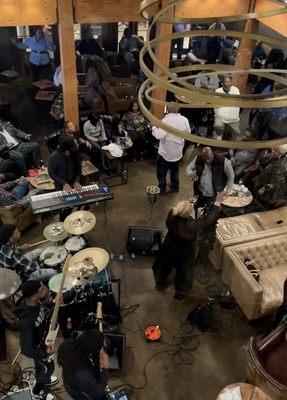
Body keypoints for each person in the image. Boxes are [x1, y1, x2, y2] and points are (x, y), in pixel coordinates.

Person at [152, 192, 227, 299]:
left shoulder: (172, 214)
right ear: (188, 213)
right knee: (184, 271)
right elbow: (208, 220)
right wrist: (217, 202)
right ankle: (180, 292)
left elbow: (181, 212)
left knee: (164, 264)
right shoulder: (191, 225)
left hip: (169, 245)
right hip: (184, 251)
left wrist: (189, 203)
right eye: (190, 208)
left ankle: (159, 282)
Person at [14, 281, 59, 400]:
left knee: (42, 367)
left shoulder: (34, 302)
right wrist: (44, 354)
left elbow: (42, 308)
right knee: (49, 368)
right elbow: (26, 349)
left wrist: (54, 302)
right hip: (38, 349)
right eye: (42, 290)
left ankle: (45, 379)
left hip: (41, 340)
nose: (46, 290)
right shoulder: (26, 322)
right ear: (34, 296)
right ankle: (37, 391)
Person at [57, 329, 109, 400]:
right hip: (80, 392)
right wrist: (105, 369)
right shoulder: (83, 374)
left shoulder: (67, 344)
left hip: (69, 382)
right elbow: (98, 392)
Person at [152, 104, 190, 193]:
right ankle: (175, 187)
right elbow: (188, 132)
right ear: (178, 109)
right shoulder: (184, 120)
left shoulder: (165, 121)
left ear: (167, 110)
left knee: (161, 172)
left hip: (165, 153)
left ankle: (162, 188)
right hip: (177, 152)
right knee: (175, 171)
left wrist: (153, 127)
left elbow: (159, 136)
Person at [186, 147, 234, 211]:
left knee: (211, 211)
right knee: (197, 207)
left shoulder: (224, 161)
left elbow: (231, 176)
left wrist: (227, 191)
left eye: (209, 158)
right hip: (199, 192)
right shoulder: (198, 158)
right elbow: (189, 167)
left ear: (213, 154)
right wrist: (191, 173)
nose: (207, 161)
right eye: (205, 159)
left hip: (214, 194)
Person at [48, 138, 82, 221]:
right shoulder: (54, 157)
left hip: (74, 184)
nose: (77, 145)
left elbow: (79, 170)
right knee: (65, 208)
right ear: (67, 150)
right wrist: (64, 183)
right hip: (61, 185)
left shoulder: (75, 154)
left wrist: (76, 181)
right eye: (75, 145)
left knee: (78, 205)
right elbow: (51, 173)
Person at [214, 76, 241, 141]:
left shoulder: (236, 90)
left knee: (236, 133)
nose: (227, 84)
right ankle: (219, 134)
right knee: (218, 125)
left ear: (231, 82)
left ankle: (232, 147)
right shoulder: (217, 91)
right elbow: (216, 104)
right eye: (225, 82)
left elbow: (237, 102)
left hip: (233, 118)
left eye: (229, 82)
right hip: (221, 117)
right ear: (222, 83)